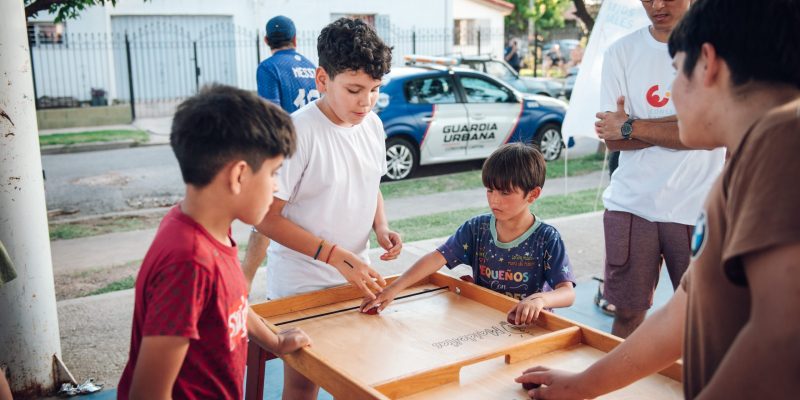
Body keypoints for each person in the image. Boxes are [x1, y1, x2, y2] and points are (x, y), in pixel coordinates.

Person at [516, 0, 800, 398]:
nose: (669, 94)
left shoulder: (783, 149)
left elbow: (781, 335)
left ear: (707, 63)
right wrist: (582, 385)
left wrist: (635, 126)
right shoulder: (744, 167)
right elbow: (684, 310)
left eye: (674, 72)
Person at [117, 85, 311, 400]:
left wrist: (274, 342)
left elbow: (230, 304)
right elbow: (148, 393)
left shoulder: (211, 227)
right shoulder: (189, 262)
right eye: (273, 173)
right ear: (238, 176)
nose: (276, 187)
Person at [253, 18, 401, 399]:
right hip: (302, 283)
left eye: (374, 89)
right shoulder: (298, 133)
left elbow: (371, 183)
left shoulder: (373, 125)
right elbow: (266, 218)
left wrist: (381, 227)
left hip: (356, 278)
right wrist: (332, 254)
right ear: (322, 79)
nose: (365, 101)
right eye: (354, 90)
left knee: (358, 380)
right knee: (303, 386)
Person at [592, 0, 724, 338]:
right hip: (631, 203)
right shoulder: (621, 51)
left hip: (698, 208)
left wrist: (631, 125)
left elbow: (711, 133)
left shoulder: (718, 46)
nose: (657, 4)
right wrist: (681, 124)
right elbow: (612, 138)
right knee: (626, 314)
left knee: (704, 319)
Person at [362, 144, 576, 325]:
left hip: (533, 327)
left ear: (533, 194)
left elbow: (567, 292)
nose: (494, 200)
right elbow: (435, 259)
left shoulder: (547, 238)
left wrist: (540, 300)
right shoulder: (476, 228)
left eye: (505, 192)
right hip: (484, 318)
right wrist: (392, 290)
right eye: (490, 190)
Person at [245, 15, 319, 290]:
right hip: (314, 147)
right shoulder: (311, 66)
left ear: (266, 41)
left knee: (264, 219)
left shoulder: (268, 67)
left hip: (288, 152)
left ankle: (243, 284)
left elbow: (272, 115)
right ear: (296, 39)